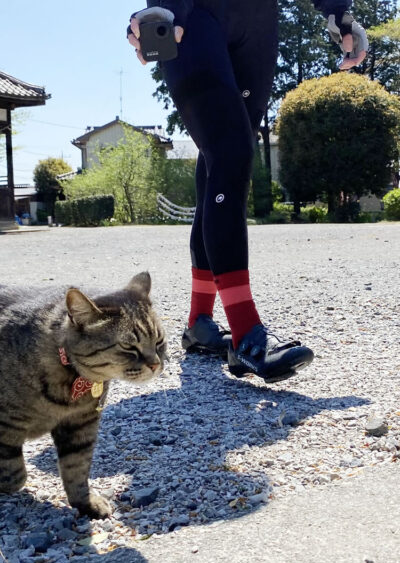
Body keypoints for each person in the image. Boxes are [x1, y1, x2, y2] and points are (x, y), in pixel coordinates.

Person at [127, 0, 367, 383]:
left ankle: (199, 322)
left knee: (218, 161)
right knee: (231, 148)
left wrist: (338, 12)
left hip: (258, 22)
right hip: (192, 16)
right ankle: (244, 334)